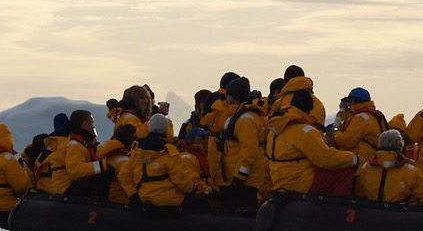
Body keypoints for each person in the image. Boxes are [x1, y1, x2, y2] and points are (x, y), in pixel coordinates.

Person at [267, 89, 359, 194]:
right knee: (344, 172)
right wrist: (353, 159)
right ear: (309, 108)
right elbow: (325, 159)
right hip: (299, 183)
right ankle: (338, 207)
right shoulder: (304, 131)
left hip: (279, 181)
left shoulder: (276, 128)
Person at [121, 114, 209, 206]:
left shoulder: (136, 151)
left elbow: (124, 175)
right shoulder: (169, 151)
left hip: (144, 197)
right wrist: (191, 189)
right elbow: (181, 179)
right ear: (166, 130)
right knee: (202, 203)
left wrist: (133, 196)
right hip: (170, 200)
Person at [215, 76, 271, 207]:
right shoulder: (244, 116)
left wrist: (239, 177)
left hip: (243, 183)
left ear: (233, 96)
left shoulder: (246, 120)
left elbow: (249, 151)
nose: (225, 99)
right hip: (236, 179)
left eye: (227, 95)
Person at [353, 129, 423, 204]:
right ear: (400, 146)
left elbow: (358, 193)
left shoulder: (366, 168)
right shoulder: (410, 171)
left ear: (380, 144)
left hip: (371, 214)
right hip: (402, 216)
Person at [56, 110, 107, 196]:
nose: (93, 126)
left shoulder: (83, 143)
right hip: (66, 188)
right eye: (91, 122)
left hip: (73, 184)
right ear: (84, 124)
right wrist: (103, 165)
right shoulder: (74, 145)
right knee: (105, 176)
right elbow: (76, 171)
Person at [331, 88, 386, 153]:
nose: (348, 104)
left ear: (357, 101)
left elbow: (346, 141)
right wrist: (342, 111)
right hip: (369, 157)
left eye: (350, 101)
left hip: (362, 159)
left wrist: (336, 133)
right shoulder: (369, 116)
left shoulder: (361, 118)